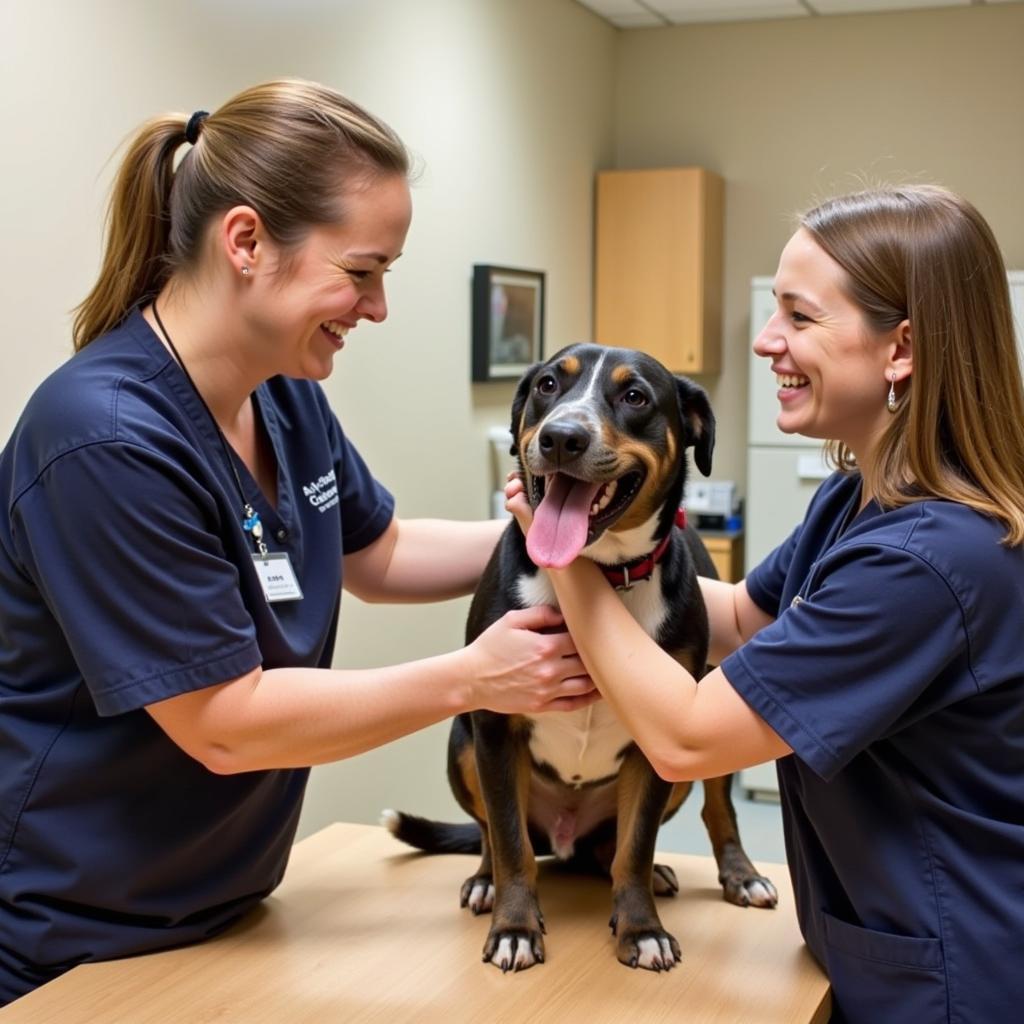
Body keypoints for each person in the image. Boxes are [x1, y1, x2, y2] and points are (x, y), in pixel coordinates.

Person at [0, 79, 596, 1004]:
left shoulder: (282, 391)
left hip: (225, 903)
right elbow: (224, 725)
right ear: (245, 242)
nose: (378, 306)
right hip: (76, 933)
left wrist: (568, 540)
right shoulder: (102, 439)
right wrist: (472, 678)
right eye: (361, 272)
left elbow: (380, 551)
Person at [506, 185, 1024, 1023]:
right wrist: (586, 544)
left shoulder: (928, 564)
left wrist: (558, 554)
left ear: (902, 350)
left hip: (954, 980)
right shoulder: (858, 498)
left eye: (799, 316)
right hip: (873, 947)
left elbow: (684, 738)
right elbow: (742, 619)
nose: (764, 340)